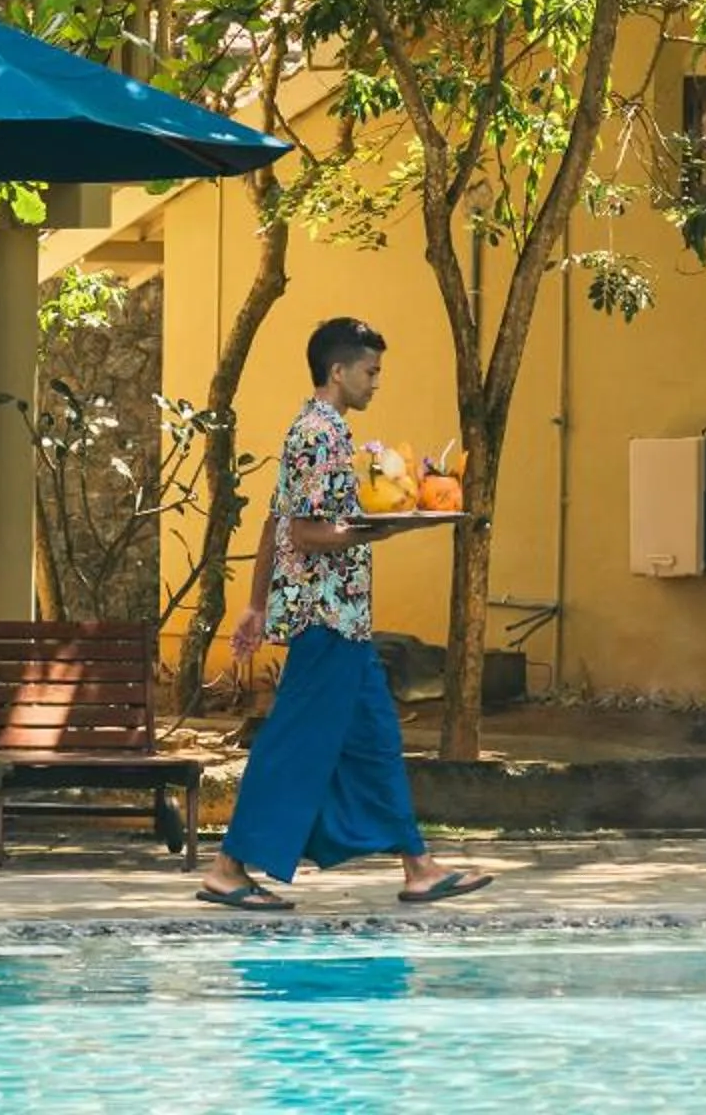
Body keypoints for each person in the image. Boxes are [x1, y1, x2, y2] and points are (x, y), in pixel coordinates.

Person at [196, 316, 491, 911]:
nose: (377, 382)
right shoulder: (318, 433)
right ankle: (227, 868)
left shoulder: (321, 431)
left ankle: (419, 866)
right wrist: (381, 531)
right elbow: (304, 532)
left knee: (377, 743)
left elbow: (275, 522)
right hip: (325, 620)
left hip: (345, 622)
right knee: (290, 744)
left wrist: (255, 604)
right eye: (370, 371)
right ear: (339, 370)